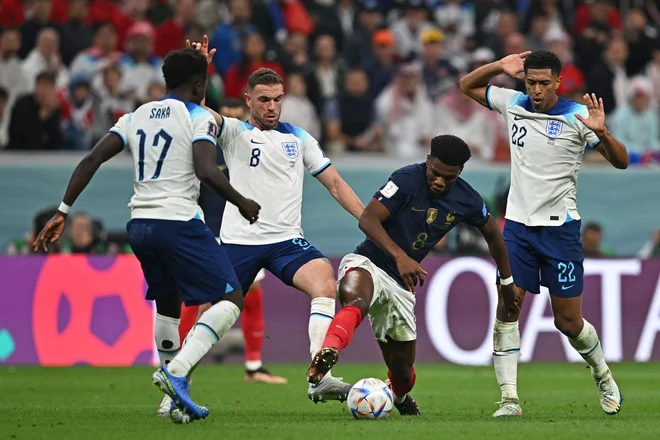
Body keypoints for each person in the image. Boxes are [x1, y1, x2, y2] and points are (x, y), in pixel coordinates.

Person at [32, 48, 261, 423]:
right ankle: (176, 374)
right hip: (178, 221)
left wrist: (63, 210)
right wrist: (241, 201)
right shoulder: (199, 116)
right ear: (200, 84)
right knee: (231, 297)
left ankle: (169, 401)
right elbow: (206, 168)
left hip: (140, 226)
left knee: (168, 305)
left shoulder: (136, 115)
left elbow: (91, 160)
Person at [190, 36, 365, 403]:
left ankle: (320, 376)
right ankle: (177, 381)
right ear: (248, 100)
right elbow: (197, 112)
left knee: (323, 280)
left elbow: (334, 183)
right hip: (240, 241)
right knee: (215, 309)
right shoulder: (236, 132)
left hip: (286, 241)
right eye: (264, 100)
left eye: (277, 99)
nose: (272, 107)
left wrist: (368, 220)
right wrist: (198, 73)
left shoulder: (299, 138)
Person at [459, 49, 629, 417]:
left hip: (560, 231)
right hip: (518, 229)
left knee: (567, 321)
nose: (535, 89)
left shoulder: (578, 116)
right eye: (530, 81)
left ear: (557, 82)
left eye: (542, 83)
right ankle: (509, 400)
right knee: (508, 307)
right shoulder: (513, 102)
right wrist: (499, 66)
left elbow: (622, 160)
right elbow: (466, 85)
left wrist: (603, 133)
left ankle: (602, 375)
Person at [306, 135, 518, 416]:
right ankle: (328, 351)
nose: (440, 181)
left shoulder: (466, 199)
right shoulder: (406, 179)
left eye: (449, 177)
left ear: (460, 173)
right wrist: (400, 256)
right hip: (369, 260)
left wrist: (506, 282)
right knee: (355, 299)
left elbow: (494, 235)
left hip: (401, 286)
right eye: (436, 173)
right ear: (428, 160)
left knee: (403, 373)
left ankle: (400, 396)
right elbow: (367, 219)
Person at [177, 99, 287, 387]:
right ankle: (178, 363)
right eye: (228, 118)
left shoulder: (255, 148)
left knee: (251, 294)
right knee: (199, 297)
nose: (234, 124)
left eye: (239, 117)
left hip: (244, 233)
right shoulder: (203, 148)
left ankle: (253, 366)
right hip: (209, 230)